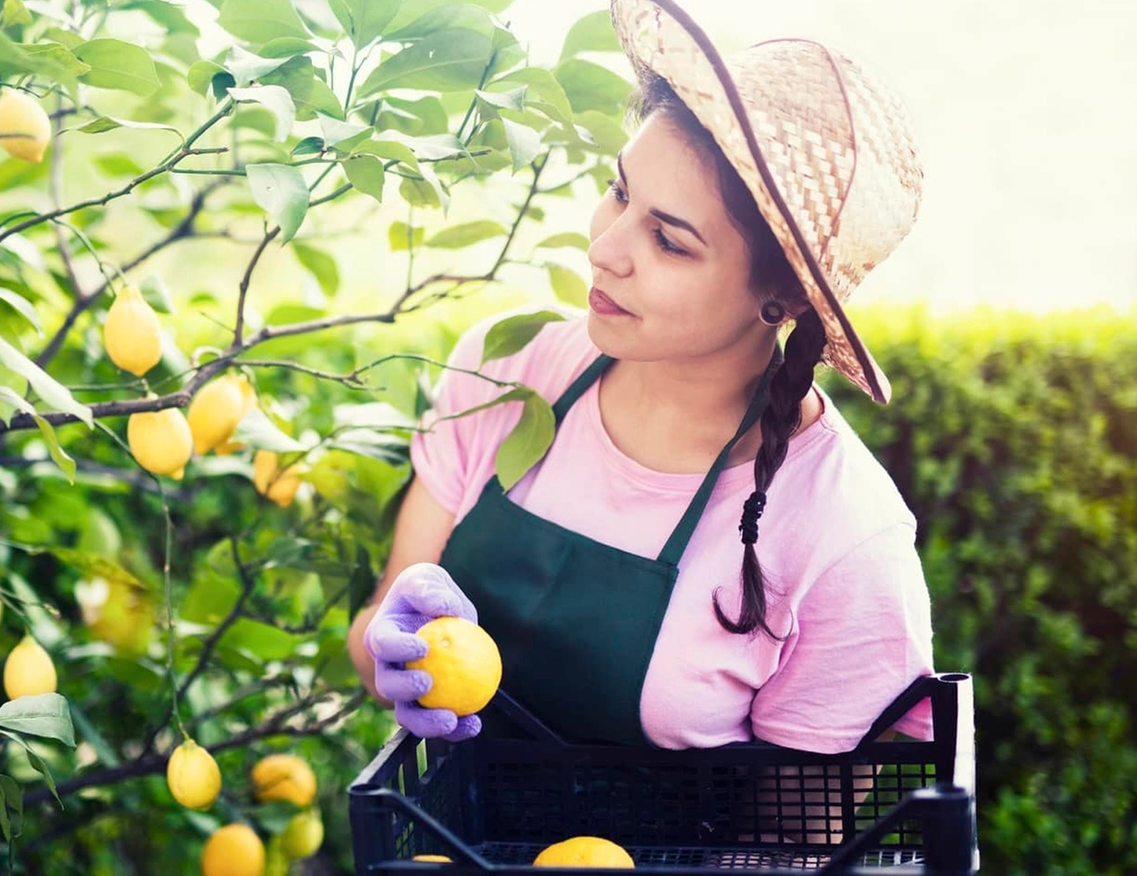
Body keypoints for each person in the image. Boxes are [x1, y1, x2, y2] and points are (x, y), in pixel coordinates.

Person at [346, 0, 935, 756]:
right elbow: (375, 648)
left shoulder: (840, 535)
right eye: (621, 192)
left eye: (669, 241)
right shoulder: (506, 370)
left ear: (780, 300)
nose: (606, 249)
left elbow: (813, 841)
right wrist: (387, 648)